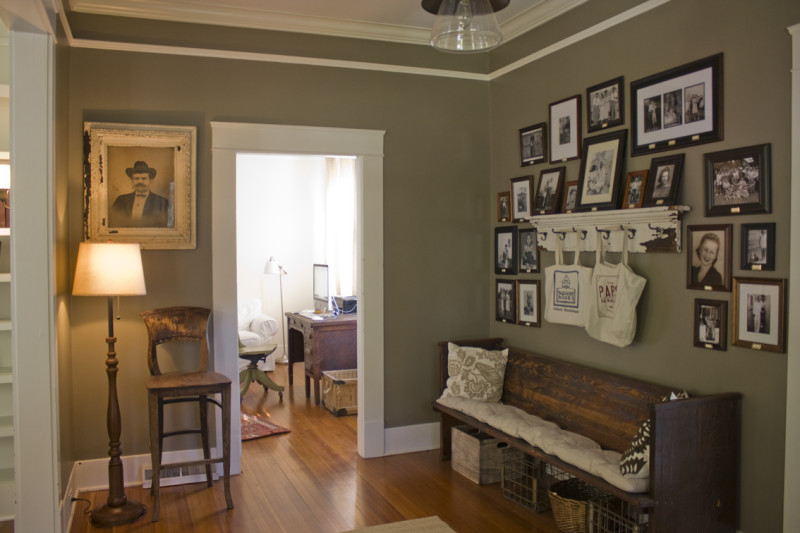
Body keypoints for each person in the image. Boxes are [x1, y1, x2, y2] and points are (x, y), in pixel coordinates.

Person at [110, 160, 171, 227]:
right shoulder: (121, 200)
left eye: (144, 178)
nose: (140, 182)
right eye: (136, 178)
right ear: (132, 181)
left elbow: (166, 226)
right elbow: (112, 223)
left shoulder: (162, 202)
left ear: (150, 180)